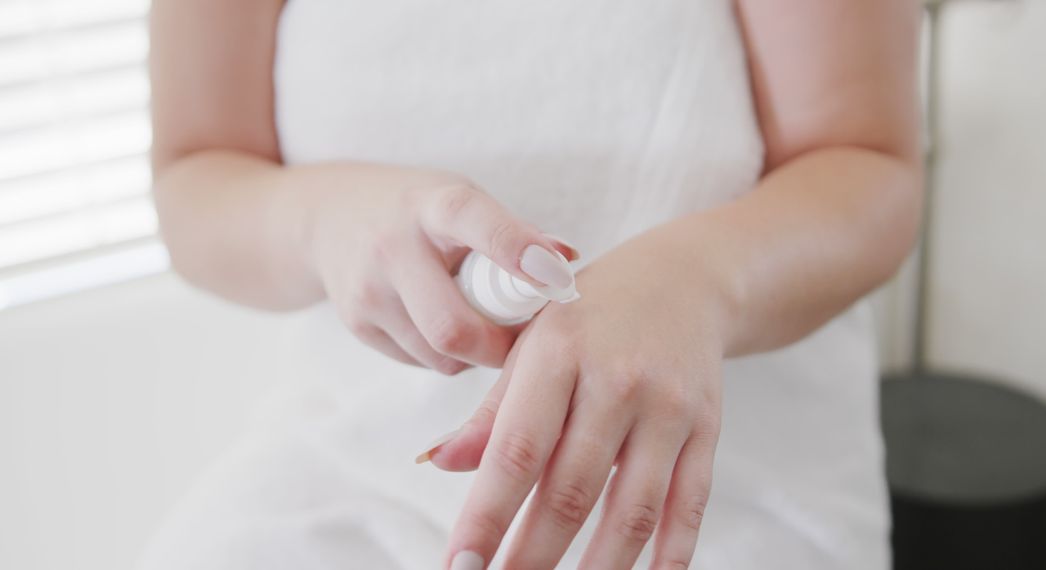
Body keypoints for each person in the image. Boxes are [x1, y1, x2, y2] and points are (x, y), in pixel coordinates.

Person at [140, 0, 921, 568]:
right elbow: (195, 177)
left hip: (712, 492)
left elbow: (867, 167)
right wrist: (319, 217)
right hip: (347, 469)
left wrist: (695, 279)